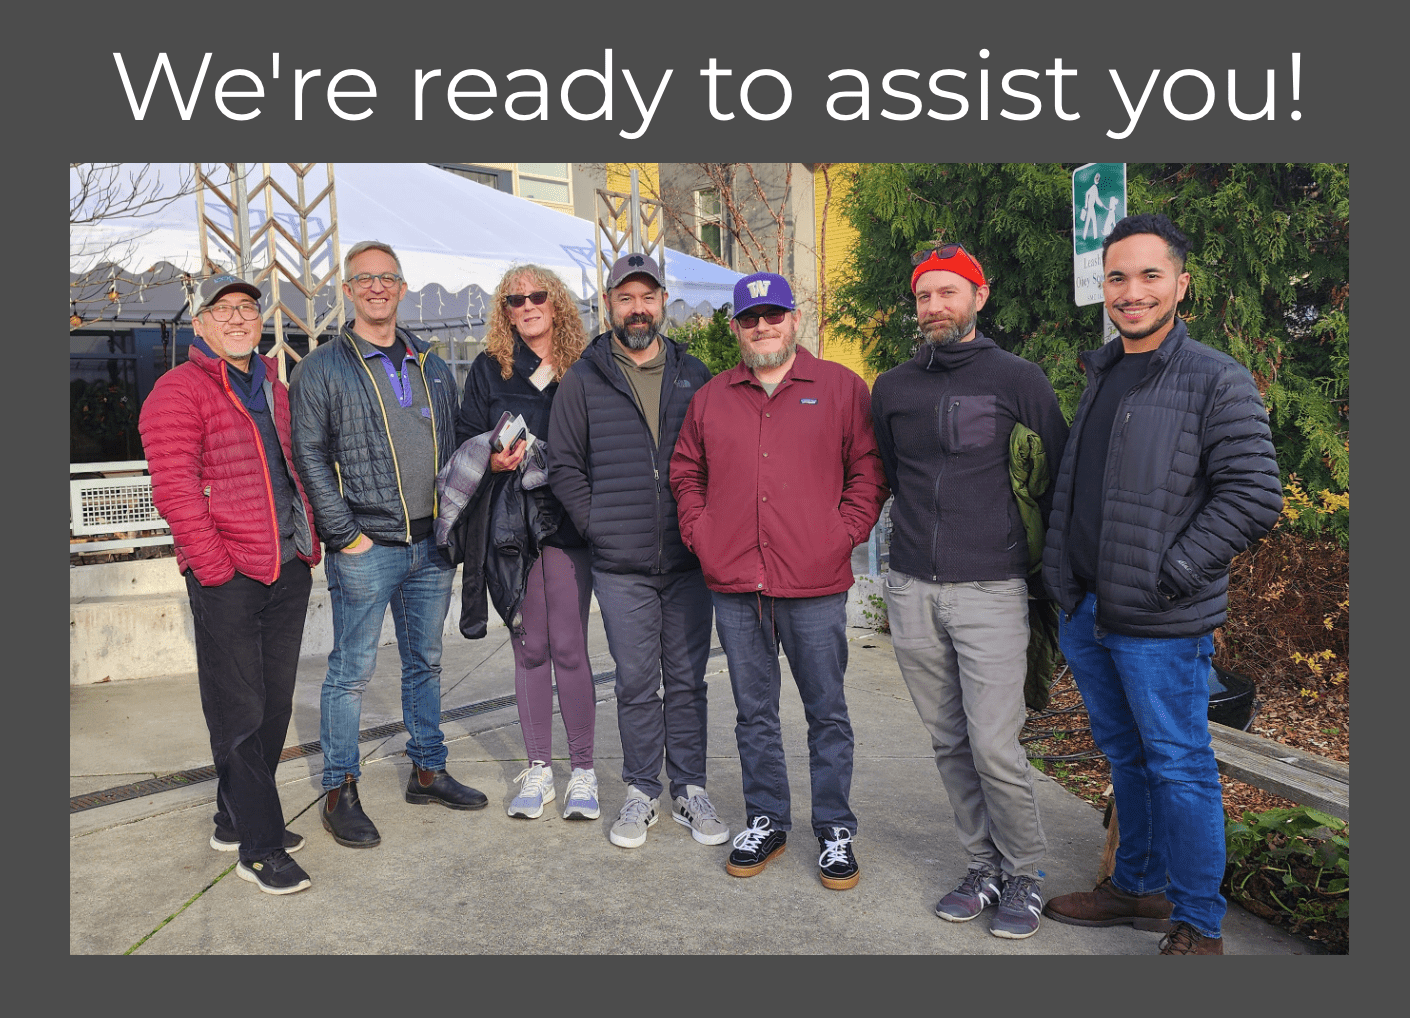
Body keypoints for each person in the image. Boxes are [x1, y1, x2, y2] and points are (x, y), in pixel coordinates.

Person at [1040, 214, 1283, 955]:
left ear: (1181, 285)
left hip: (1159, 619)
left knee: (1180, 765)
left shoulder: (1214, 377)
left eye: (1150, 275)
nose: (1132, 291)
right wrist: (1063, 581)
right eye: (1117, 276)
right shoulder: (1105, 371)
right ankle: (1136, 886)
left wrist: (1170, 574)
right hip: (1089, 608)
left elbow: (1253, 495)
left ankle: (1199, 922)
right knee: (1128, 756)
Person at [870, 243, 1069, 939]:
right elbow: (891, 474)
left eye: (948, 292)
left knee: (994, 745)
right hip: (912, 589)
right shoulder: (893, 388)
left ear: (979, 298)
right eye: (924, 295)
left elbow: (1057, 476)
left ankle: (1025, 871)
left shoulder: (1018, 379)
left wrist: (1058, 576)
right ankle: (982, 865)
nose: (934, 307)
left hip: (993, 589)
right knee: (949, 742)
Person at [671, 272, 887, 890]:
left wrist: (842, 533)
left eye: (773, 315)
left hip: (814, 581)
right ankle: (766, 819)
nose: (762, 327)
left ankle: (835, 828)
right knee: (754, 713)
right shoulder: (712, 398)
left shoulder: (840, 388)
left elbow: (868, 471)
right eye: (750, 318)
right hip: (736, 582)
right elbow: (686, 472)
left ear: (794, 319)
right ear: (736, 328)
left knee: (827, 711)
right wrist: (702, 531)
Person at [290, 240, 488, 850]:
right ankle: (339, 790)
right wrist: (344, 534)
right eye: (365, 279)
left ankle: (428, 769)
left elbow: (453, 445)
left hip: (432, 544)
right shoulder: (321, 368)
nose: (377, 287)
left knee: (425, 662)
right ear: (347, 290)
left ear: (402, 288)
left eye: (388, 278)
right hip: (366, 545)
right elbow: (309, 457)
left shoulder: (431, 363)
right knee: (351, 672)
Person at [139, 273, 320, 895]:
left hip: (287, 565)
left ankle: (233, 816)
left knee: (273, 705)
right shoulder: (177, 390)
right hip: (229, 573)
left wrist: (306, 544)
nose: (239, 318)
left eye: (247, 307)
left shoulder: (274, 385)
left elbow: (295, 466)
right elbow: (175, 490)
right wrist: (214, 567)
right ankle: (260, 848)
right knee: (238, 712)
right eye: (224, 310)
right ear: (201, 324)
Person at [546, 252, 728, 850]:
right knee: (634, 682)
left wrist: (705, 528)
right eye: (626, 298)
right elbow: (564, 465)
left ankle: (690, 788)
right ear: (609, 306)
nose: (638, 309)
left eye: (648, 297)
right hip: (621, 565)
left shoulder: (694, 373)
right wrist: (598, 524)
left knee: (689, 681)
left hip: (688, 561)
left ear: (663, 302)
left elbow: (715, 459)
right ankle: (642, 789)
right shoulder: (583, 378)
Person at [455, 264, 598, 821]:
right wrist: (492, 459)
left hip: (565, 524)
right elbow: (465, 437)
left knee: (569, 647)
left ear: (556, 302)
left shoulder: (585, 366)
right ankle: (540, 767)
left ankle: (582, 771)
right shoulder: (490, 369)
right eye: (516, 300)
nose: (529, 305)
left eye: (538, 295)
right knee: (529, 647)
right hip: (511, 527)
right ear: (506, 312)